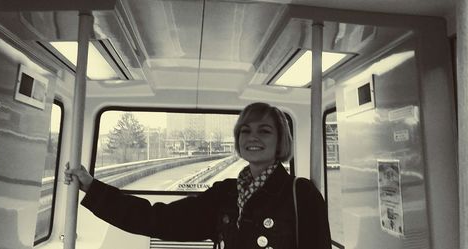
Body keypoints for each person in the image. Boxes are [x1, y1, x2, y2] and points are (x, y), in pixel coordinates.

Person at [65, 102, 331, 249]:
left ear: (281, 139)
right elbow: (158, 219)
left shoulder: (301, 194)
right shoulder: (226, 193)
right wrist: (94, 189)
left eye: (264, 130)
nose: (252, 137)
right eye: (245, 130)